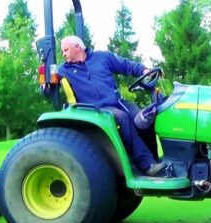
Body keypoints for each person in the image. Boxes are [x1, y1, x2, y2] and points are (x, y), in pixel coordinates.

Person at [58, 35, 167, 177]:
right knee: (121, 117)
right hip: (96, 110)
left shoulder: (102, 57)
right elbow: (48, 85)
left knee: (144, 117)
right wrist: (46, 85)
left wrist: (144, 70)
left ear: (77, 47)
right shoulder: (63, 70)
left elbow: (126, 65)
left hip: (117, 102)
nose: (63, 54)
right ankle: (147, 165)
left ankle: (155, 159)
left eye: (65, 50)